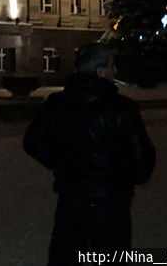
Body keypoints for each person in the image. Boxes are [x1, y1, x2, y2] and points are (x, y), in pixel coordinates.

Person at [24, 43, 155, 265]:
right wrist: (120, 174)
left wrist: (62, 164)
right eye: (113, 65)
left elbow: (33, 142)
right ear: (100, 71)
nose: (116, 71)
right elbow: (142, 162)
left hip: (71, 200)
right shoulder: (121, 108)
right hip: (111, 204)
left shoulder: (57, 104)